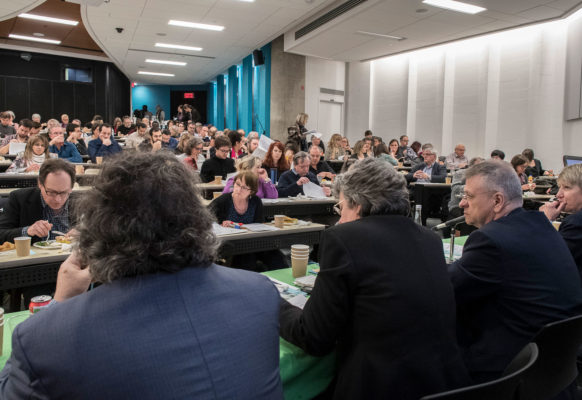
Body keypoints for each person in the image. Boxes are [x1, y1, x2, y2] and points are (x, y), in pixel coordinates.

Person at [0, 152, 283, 399]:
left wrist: (60, 304)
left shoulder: (45, 337)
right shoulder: (262, 293)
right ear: (196, 217)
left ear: (102, 227)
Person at [280, 158, 469, 399]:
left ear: (357, 205)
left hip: (379, 385)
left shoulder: (344, 238)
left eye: (341, 207)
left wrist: (273, 303)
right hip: (443, 383)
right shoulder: (430, 239)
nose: (339, 218)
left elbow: (313, 337)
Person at [448, 160, 582, 383]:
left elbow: (445, 290)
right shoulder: (541, 225)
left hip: (509, 372)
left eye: (469, 196)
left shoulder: (491, 240)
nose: (461, 203)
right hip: (554, 372)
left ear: (498, 201)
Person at [0, 158, 75, 243]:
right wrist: (27, 231)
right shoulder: (19, 199)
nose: (58, 200)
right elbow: (1, 234)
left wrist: (86, 235)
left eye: (64, 192)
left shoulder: (80, 202)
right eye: (51, 192)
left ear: (71, 188)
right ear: (40, 183)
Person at [540, 164, 582, 276]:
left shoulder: (576, 223)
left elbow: (545, 259)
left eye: (566, 187)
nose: (558, 194)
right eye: (560, 187)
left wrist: (545, 221)